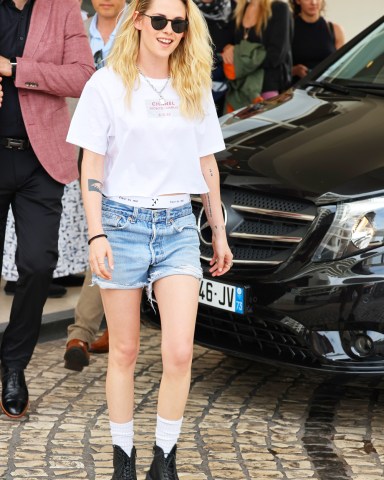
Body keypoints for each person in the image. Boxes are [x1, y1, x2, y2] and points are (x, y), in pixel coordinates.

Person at [67, 0, 233, 478]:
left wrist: (217, 233)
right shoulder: (107, 83)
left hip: (179, 225)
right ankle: (124, 458)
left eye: (178, 23)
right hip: (120, 224)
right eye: (158, 20)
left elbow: (207, 165)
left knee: (180, 350)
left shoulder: (192, 83)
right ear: (137, 19)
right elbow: (91, 165)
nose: (168, 30)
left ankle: (164, 459)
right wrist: (96, 232)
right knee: (124, 350)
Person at [0, 0, 94, 419]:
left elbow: (81, 76)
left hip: (41, 162)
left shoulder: (63, 8)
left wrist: (15, 70)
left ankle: (14, 365)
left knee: (38, 264)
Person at [64, 0, 128, 372]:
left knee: (107, 231)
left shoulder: (141, 30)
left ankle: (82, 331)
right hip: (82, 144)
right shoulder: (76, 30)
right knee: (97, 230)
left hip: (125, 149)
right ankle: (102, 328)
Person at [222, 0, 293, 111]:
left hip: (267, 89)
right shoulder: (239, 9)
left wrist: (238, 53)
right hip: (239, 90)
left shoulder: (279, 8)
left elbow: (276, 56)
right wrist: (228, 49)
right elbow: (229, 45)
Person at [193, 0, 235, 116]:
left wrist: (234, 47)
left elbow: (243, 37)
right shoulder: (187, 6)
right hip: (195, 72)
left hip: (226, 74)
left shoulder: (232, 6)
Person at [289, 0, 345, 83]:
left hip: (325, 90)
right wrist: (295, 70)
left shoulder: (335, 30)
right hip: (295, 90)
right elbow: (275, 70)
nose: (314, 2)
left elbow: (341, 66)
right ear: (297, 1)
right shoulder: (287, 30)